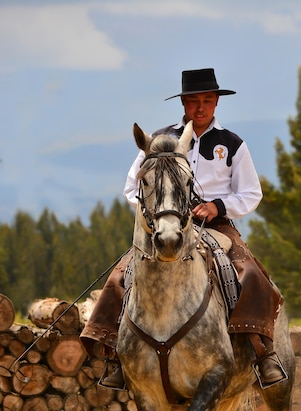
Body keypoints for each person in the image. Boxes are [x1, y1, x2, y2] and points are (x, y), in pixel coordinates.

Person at [81, 68, 286, 389]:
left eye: (207, 100)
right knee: (122, 274)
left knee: (252, 274)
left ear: (216, 102)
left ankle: (263, 353)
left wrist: (217, 206)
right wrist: (160, 214)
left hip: (216, 225)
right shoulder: (160, 140)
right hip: (165, 224)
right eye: (193, 101)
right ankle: (116, 355)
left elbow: (251, 193)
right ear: (184, 103)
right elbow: (132, 187)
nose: (200, 107)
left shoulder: (232, 144)